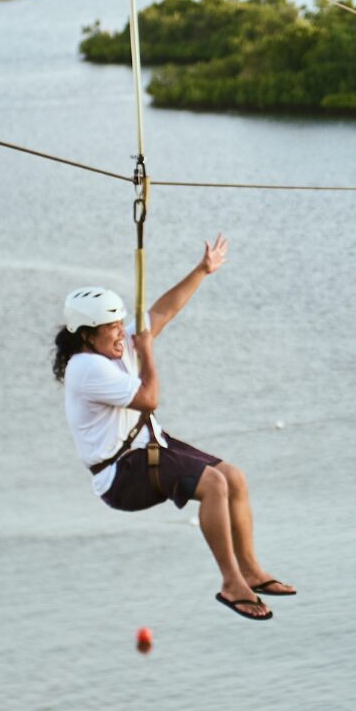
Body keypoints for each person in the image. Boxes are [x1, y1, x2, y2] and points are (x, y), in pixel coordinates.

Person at [52, 236, 293, 621]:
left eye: (120, 324)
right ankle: (232, 584)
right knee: (214, 485)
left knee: (234, 477)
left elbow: (162, 313)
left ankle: (250, 570)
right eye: (110, 328)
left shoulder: (110, 347)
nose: (120, 333)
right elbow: (149, 399)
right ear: (86, 335)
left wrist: (203, 270)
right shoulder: (87, 368)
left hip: (148, 449)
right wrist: (146, 351)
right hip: (122, 475)